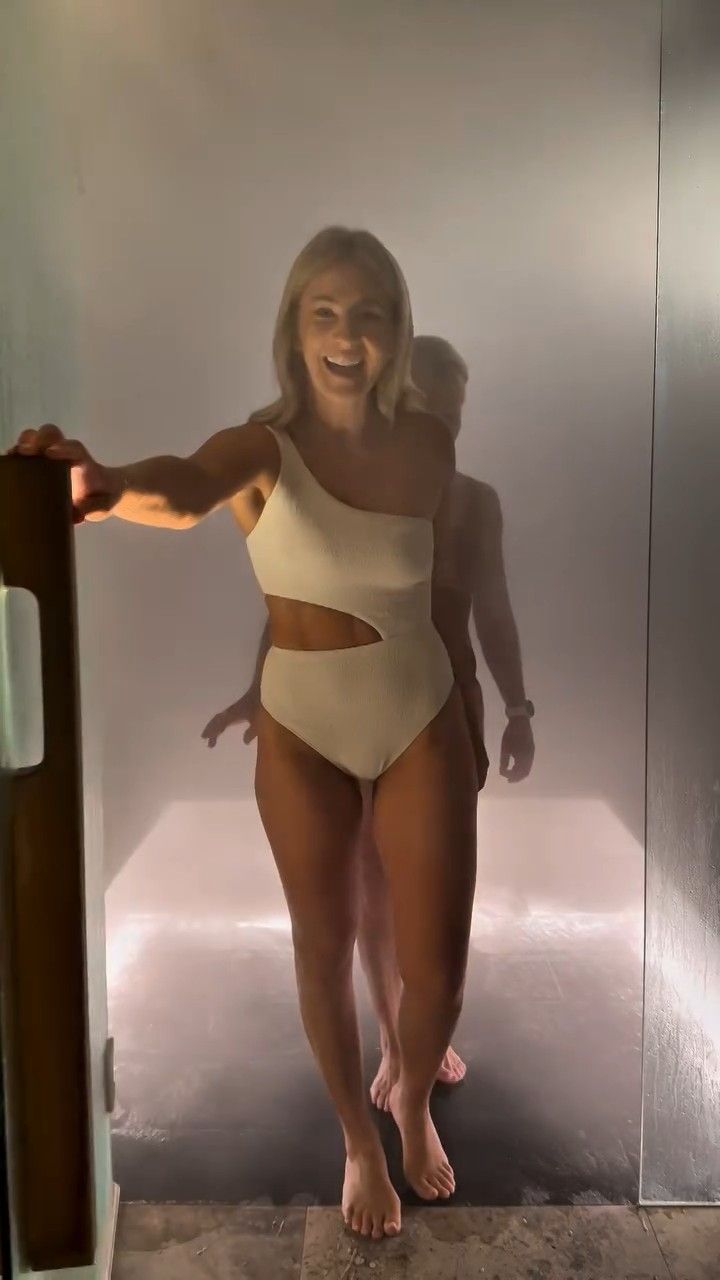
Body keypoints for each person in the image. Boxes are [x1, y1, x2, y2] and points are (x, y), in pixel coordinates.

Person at [10, 228, 488, 1240]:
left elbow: (439, 592)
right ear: (295, 330)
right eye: (326, 313)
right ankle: (359, 1141)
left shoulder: (429, 443)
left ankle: (409, 1096)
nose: (347, 336)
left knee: (439, 965)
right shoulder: (260, 447)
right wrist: (100, 485)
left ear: (398, 329)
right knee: (323, 944)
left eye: (369, 314)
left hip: (421, 706)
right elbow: (182, 487)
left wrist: (486, 708)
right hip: (304, 721)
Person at [201, 334, 535, 1112]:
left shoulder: (474, 501)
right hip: (350, 701)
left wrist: (518, 708)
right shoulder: (348, 491)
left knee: (428, 893)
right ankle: (392, 1036)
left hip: (444, 703)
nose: (448, 420)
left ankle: (418, 1037)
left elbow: (494, 609)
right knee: (370, 885)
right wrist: (256, 691)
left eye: (457, 407)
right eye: (434, 405)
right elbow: (300, 605)